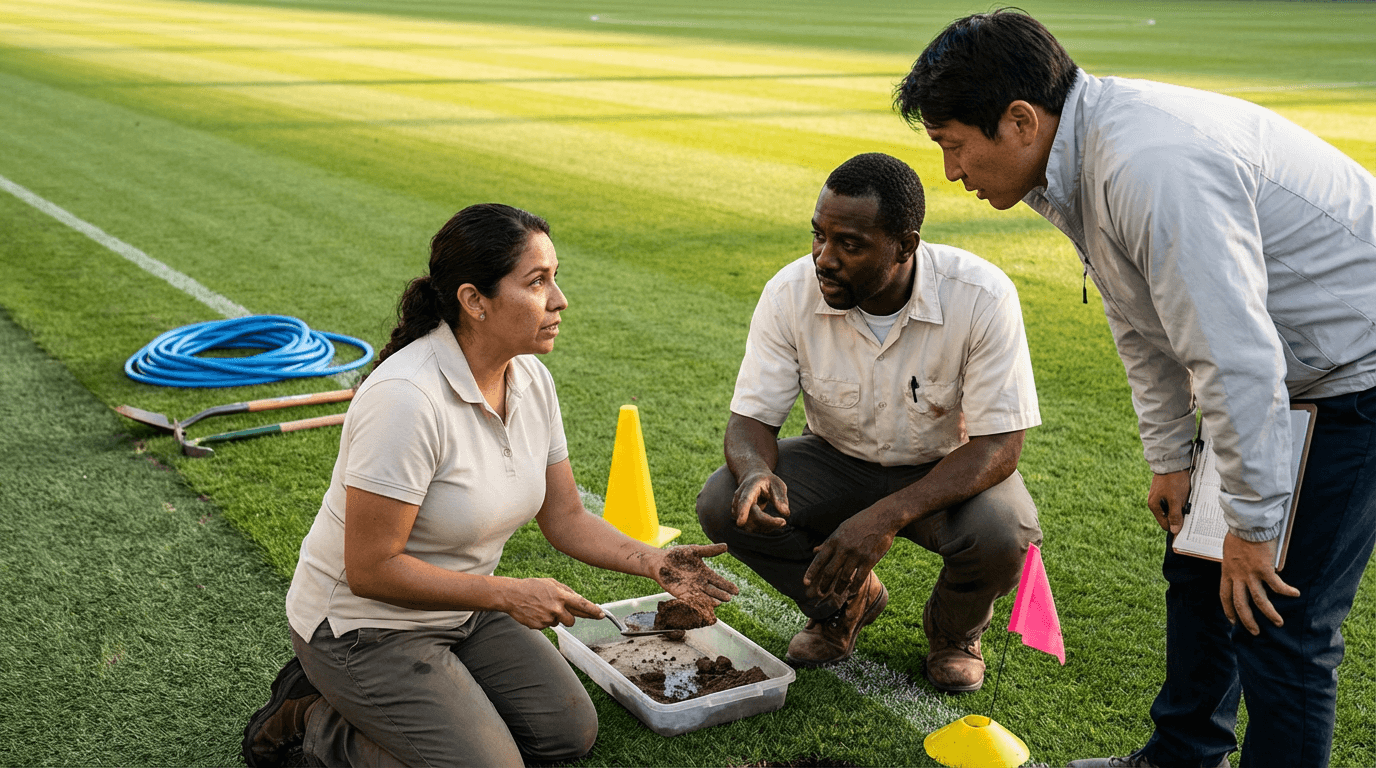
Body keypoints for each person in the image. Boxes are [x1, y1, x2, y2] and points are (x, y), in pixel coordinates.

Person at [897, 10, 1376, 768]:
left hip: (1353, 376)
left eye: (954, 146)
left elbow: (1233, 354)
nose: (952, 171)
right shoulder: (1078, 161)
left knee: (1280, 618)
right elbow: (1142, 319)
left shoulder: (1151, 163)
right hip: (1281, 376)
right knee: (1198, 572)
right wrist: (1171, 459)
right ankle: (1182, 758)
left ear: (1019, 120)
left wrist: (1252, 527)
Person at [240, 203, 739, 768]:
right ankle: (311, 725)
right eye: (537, 282)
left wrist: (654, 562)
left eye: (555, 277)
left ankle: (422, 706)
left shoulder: (530, 378)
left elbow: (566, 517)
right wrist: (508, 592)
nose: (559, 299)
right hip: (363, 626)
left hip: (461, 609)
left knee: (567, 734)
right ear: (474, 301)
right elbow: (371, 568)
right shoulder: (406, 398)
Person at [696, 152, 1043, 693]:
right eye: (819, 236)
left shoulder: (980, 295)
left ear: (906, 245)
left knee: (1005, 531)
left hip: (942, 470)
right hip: (835, 458)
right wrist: (755, 472)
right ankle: (842, 606)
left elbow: (1000, 446)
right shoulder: (789, 292)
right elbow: (749, 422)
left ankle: (954, 634)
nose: (824, 258)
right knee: (725, 501)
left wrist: (886, 517)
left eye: (849, 244)